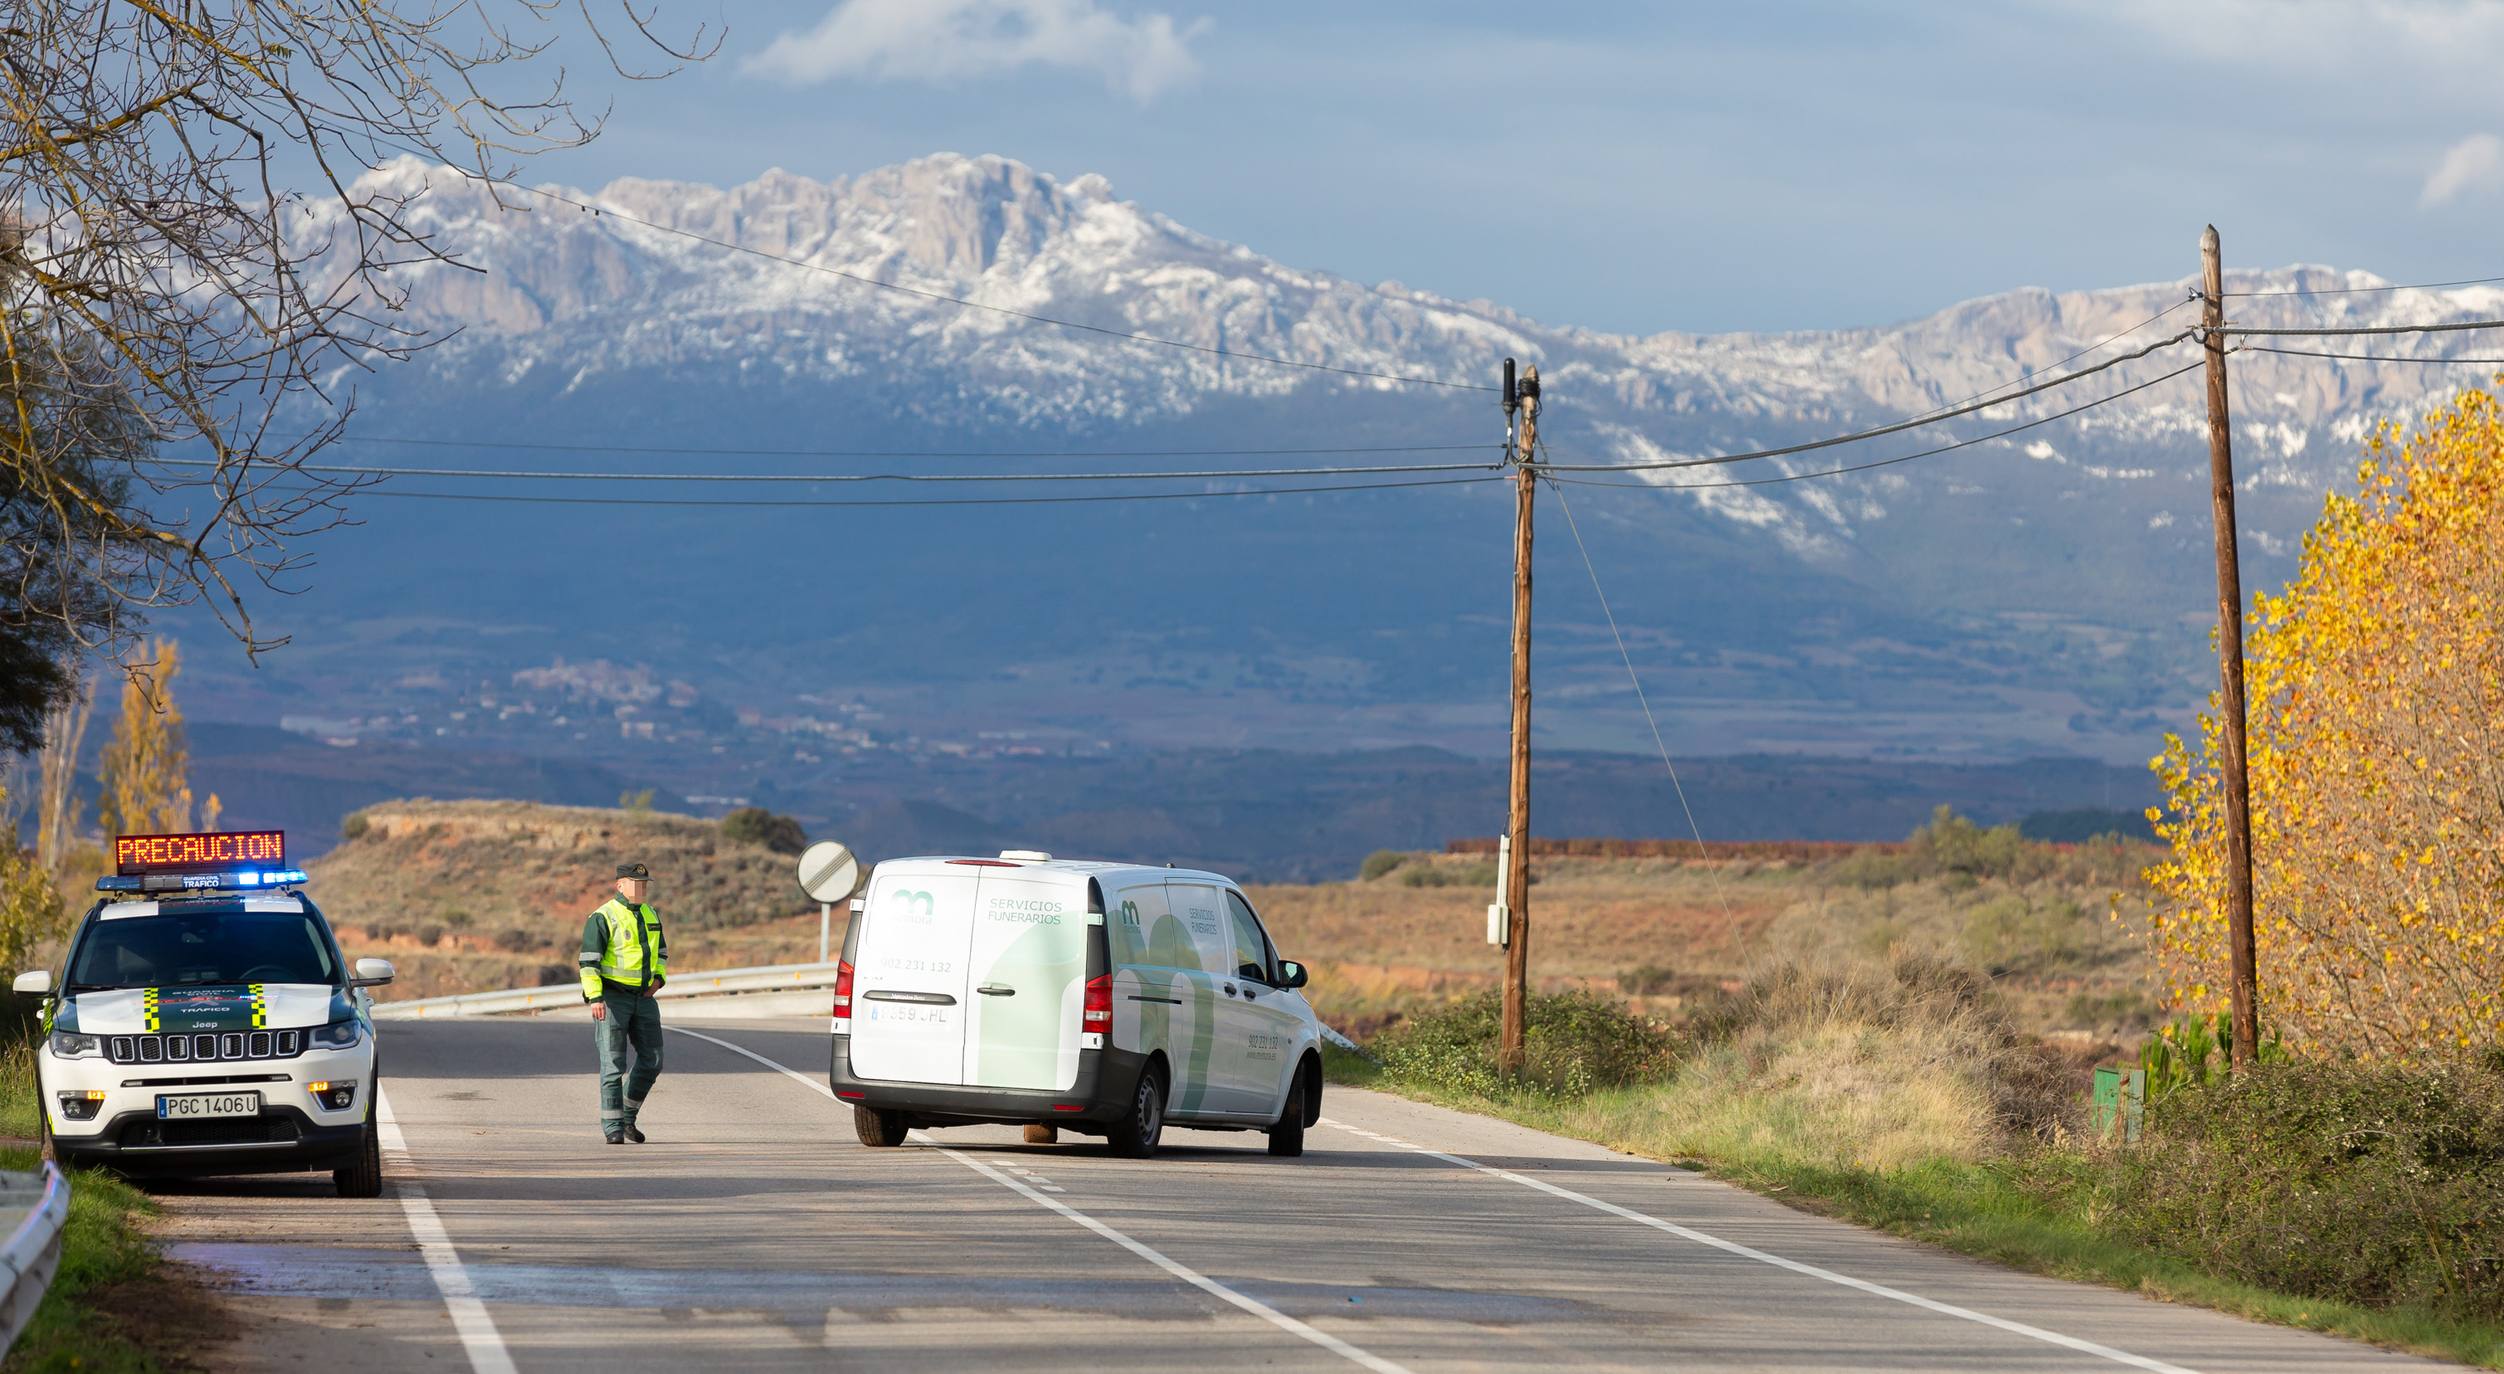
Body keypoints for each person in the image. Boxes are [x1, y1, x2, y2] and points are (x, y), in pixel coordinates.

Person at [580, 861, 669, 1143]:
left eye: (644, 884)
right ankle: (613, 1128)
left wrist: (658, 980)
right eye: (635, 884)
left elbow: (662, 952)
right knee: (613, 1065)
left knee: (653, 1060)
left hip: (643, 997)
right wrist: (595, 996)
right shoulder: (603, 916)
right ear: (620, 885)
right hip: (612, 997)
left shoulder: (651, 913)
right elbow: (588, 962)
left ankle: (628, 1118)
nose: (640, 888)